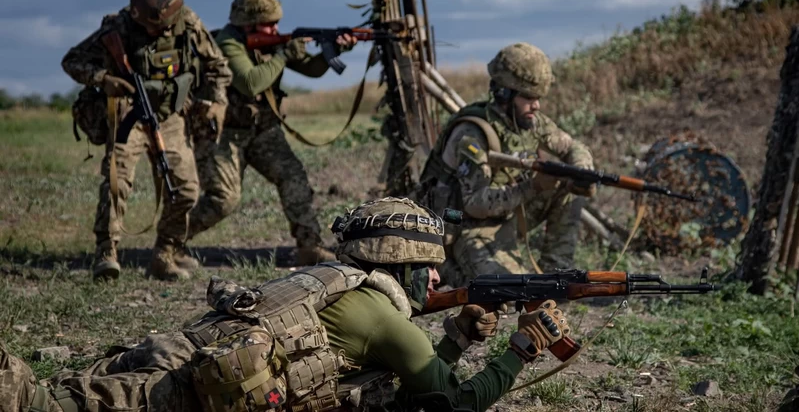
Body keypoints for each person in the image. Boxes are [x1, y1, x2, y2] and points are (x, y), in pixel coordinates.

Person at [0, 197, 571, 412]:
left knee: (58, 391)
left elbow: (390, 381)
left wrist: (459, 339)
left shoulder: (330, 277)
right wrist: (523, 350)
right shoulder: (386, 319)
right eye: (426, 266)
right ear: (398, 265)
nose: (436, 276)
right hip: (179, 393)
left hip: (171, 350)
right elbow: (455, 402)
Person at [61, 0, 231, 281]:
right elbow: (72, 61)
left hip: (170, 115)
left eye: (166, 25)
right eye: (155, 27)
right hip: (128, 113)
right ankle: (106, 252)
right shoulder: (118, 28)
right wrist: (104, 79)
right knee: (118, 180)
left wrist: (217, 102)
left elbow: (218, 67)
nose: (162, 31)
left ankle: (166, 253)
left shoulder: (188, 24)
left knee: (186, 189)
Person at [187, 0, 357, 266]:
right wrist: (283, 55)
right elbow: (250, 82)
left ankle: (309, 245)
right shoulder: (227, 42)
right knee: (223, 200)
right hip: (223, 133)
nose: (276, 28)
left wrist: (336, 48)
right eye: (270, 23)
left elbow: (312, 70)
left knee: (293, 176)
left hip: (261, 130)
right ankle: (170, 243)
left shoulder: (271, 42)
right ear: (249, 23)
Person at [416, 42, 596, 287]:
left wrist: (582, 170)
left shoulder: (528, 121)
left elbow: (573, 147)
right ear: (505, 94)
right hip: (464, 225)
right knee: (512, 292)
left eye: (538, 98)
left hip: (505, 216)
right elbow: (475, 205)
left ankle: (557, 273)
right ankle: (448, 269)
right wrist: (532, 187)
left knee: (568, 190)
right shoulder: (472, 134)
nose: (537, 105)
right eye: (529, 98)